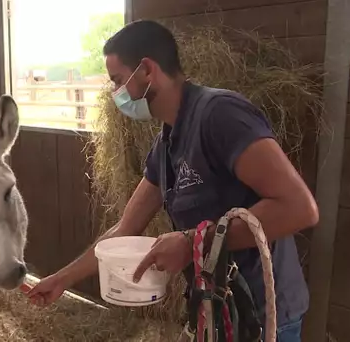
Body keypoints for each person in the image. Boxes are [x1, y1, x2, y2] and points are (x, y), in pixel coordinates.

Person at [26, 20, 318, 341]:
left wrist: (193, 242)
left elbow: (298, 208)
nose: (116, 94)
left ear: (147, 70)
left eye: (119, 81)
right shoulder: (166, 144)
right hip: (216, 308)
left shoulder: (221, 116)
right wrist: (62, 279)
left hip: (262, 314)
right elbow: (125, 228)